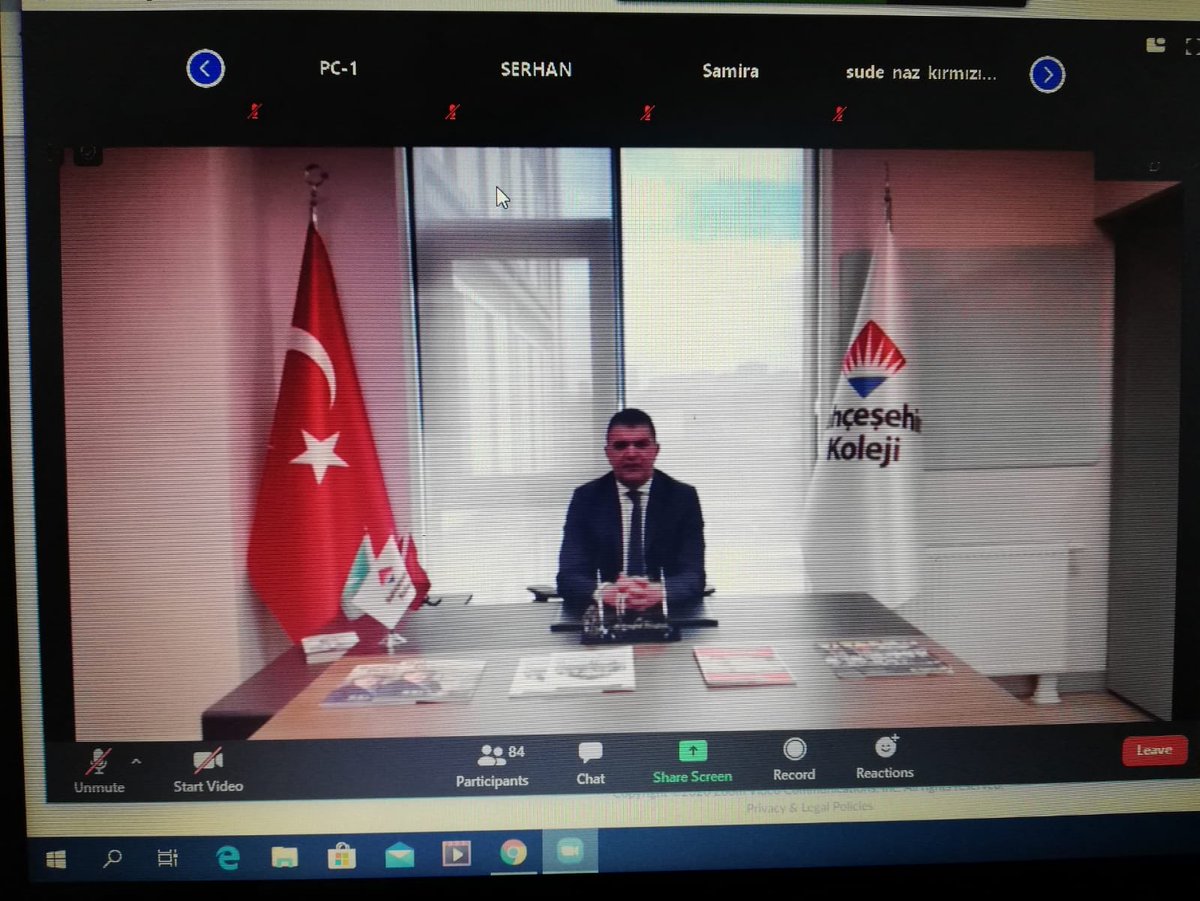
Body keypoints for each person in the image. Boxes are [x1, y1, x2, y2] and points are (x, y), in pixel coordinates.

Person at [556, 409, 705, 616]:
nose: (631, 454)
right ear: (608, 453)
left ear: (656, 450)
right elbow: (569, 575)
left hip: (666, 613)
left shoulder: (681, 497)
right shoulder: (586, 498)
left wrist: (658, 592)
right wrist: (606, 592)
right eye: (621, 446)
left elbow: (693, 575)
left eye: (641, 444)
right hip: (608, 613)